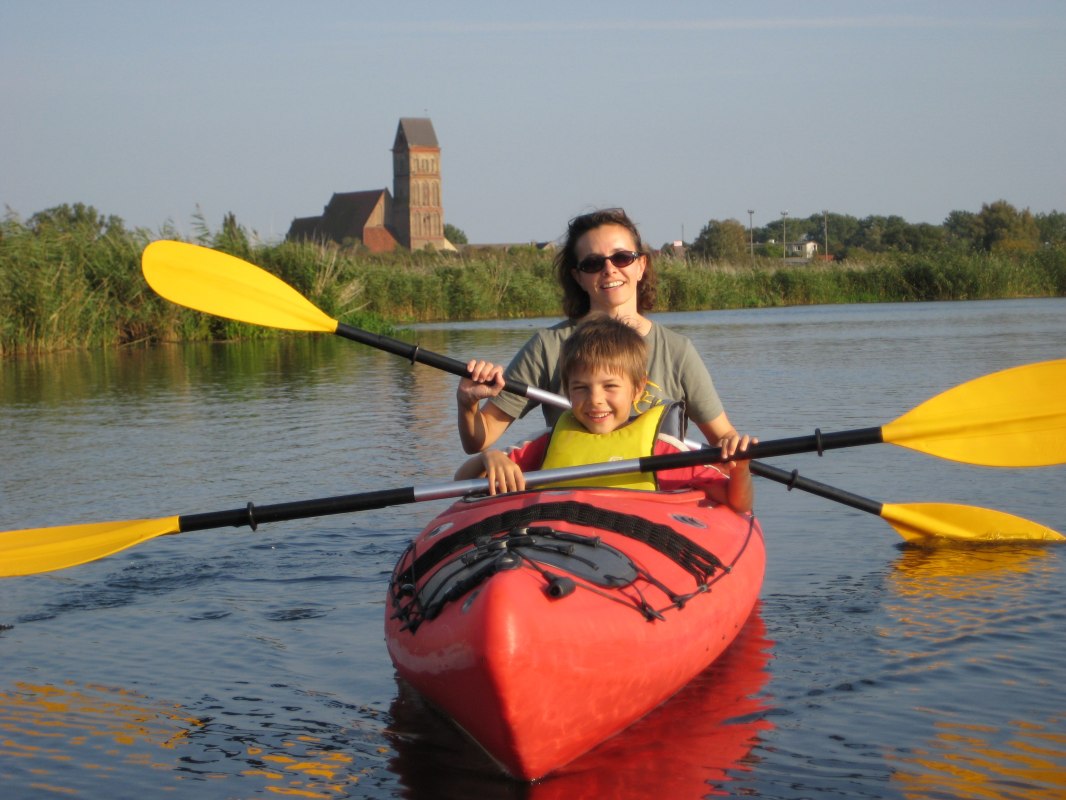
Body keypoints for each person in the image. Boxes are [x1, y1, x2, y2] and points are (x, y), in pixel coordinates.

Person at [457, 207, 744, 460]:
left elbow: (722, 438)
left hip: (654, 502)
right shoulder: (548, 347)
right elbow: (479, 440)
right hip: (573, 500)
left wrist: (736, 446)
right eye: (593, 264)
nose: (609, 269)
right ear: (578, 277)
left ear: (641, 265)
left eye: (622, 258)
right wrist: (468, 404)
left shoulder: (677, 350)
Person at [455, 315, 755, 513]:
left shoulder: (661, 450)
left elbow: (735, 502)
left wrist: (740, 469)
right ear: (567, 390)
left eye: (610, 386)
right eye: (581, 388)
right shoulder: (546, 444)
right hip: (554, 547)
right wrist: (488, 458)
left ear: (638, 390)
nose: (596, 400)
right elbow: (461, 483)